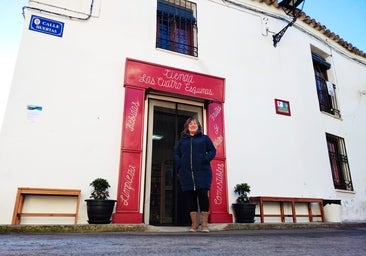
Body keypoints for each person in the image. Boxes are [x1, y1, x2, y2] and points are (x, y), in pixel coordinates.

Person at [173, 117, 216, 232]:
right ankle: (194, 225)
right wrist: (180, 163)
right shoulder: (182, 141)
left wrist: (205, 159)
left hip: (203, 172)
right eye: (190, 123)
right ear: (187, 127)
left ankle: (205, 225)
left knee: (203, 196)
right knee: (191, 198)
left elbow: (212, 151)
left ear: (198, 126)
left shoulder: (204, 139)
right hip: (186, 173)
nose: (193, 125)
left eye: (195, 123)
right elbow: (176, 154)